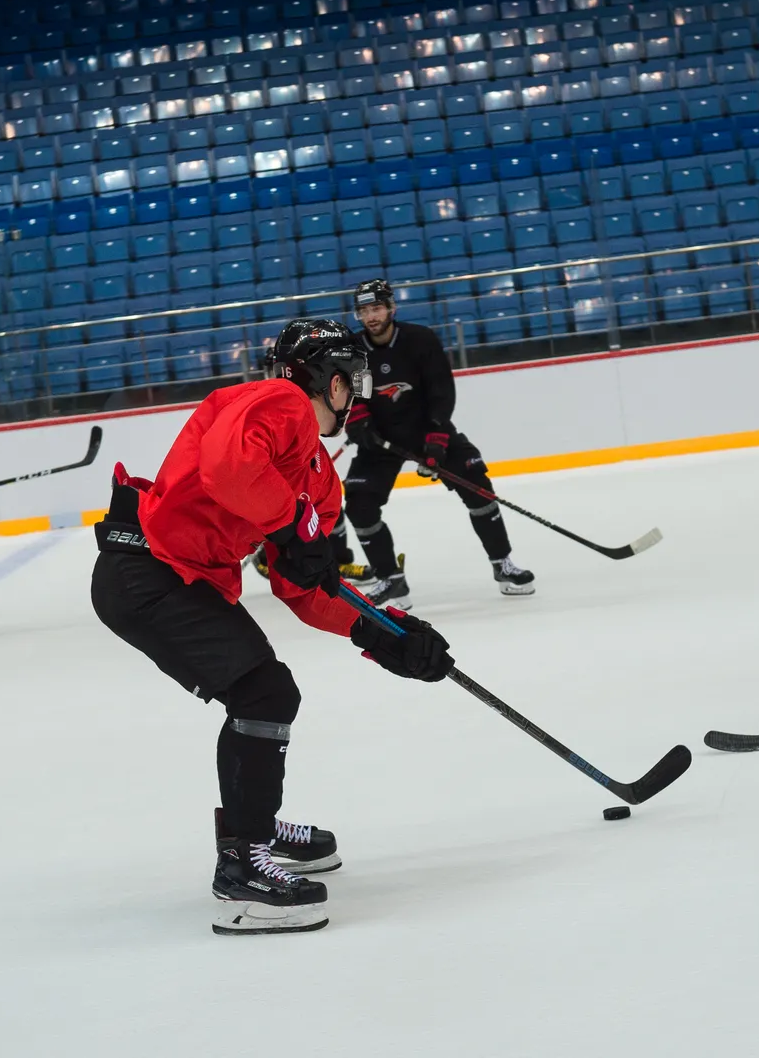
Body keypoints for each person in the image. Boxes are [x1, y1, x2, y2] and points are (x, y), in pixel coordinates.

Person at [91, 318, 455, 935]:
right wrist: (288, 527)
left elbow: (306, 591)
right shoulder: (278, 401)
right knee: (265, 692)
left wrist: (383, 633)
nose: (357, 394)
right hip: (145, 570)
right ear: (330, 379)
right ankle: (242, 868)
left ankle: (254, 827)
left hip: (179, 579)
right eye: (351, 381)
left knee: (263, 692)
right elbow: (227, 471)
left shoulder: (319, 476)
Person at [342, 278, 534, 609]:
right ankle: (392, 581)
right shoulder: (355, 350)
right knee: (359, 503)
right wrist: (359, 421)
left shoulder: (421, 340)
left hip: (426, 430)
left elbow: (441, 393)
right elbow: (357, 394)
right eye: (364, 311)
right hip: (381, 440)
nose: (371, 316)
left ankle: (503, 565)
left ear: (391, 308)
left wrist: (435, 441)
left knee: (476, 483)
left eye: (376, 308)